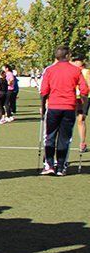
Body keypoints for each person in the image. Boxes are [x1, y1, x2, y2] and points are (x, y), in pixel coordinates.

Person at [40, 46, 89, 175]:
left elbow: (44, 91)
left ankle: (49, 165)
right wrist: (83, 106)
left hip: (53, 107)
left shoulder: (49, 70)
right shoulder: (76, 70)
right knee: (65, 138)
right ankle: (61, 167)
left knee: (49, 136)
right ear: (68, 56)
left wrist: (42, 105)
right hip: (69, 108)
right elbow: (84, 90)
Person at [70, 54, 90, 153]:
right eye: (74, 60)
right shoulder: (70, 70)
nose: (76, 62)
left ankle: (82, 143)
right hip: (72, 97)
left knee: (81, 120)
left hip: (83, 98)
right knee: (69, 120)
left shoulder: (86, 71)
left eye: (78, 60)